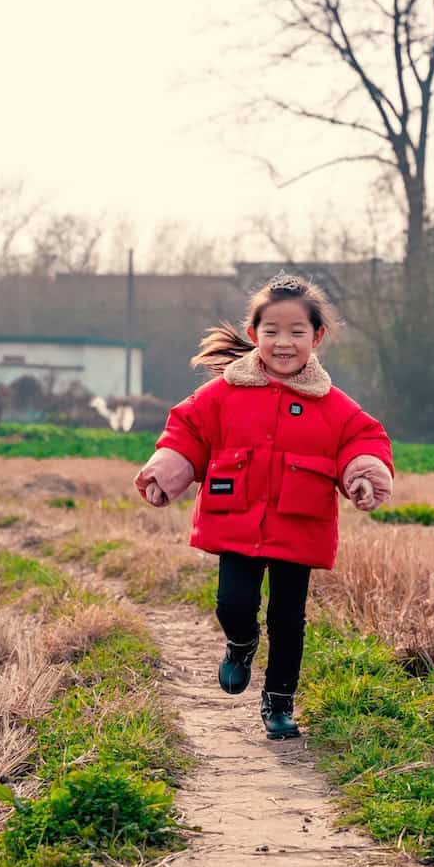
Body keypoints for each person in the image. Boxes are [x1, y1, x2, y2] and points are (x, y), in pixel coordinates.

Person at [134, 272, 393, 740]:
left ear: (317, 337)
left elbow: (364, 438)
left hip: (300, 526)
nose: (284, 342)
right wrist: (165, 472)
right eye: (271, 332)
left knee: (288, 620)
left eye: (297, 332)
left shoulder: (334, 406)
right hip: (236, 523)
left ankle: (279, 704)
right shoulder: (223, 394)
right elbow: (187, 431)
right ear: (254, 335)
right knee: (233, 603)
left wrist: (364, 474)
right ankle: (240, 642)